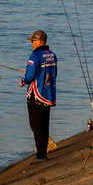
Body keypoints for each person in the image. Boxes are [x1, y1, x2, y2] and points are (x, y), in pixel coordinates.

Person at [20, 31, 56, 163]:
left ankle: (40, 155)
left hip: (36, 95)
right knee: (45, 125)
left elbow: (29, 78)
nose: (31, 43)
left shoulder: (34, 56)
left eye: (32, 41)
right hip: (48, 94)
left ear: (39, 41)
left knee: (36, 126)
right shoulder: (52, 55)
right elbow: (54, 73)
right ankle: (43, 153)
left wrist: (23, 80)